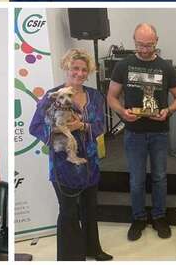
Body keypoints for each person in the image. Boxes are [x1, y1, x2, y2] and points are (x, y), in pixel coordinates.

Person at [29, 49, 113, 261]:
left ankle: (93, 249)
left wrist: (82, 125)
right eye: (75, 68)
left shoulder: (95, 96)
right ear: (67, 68)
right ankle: (71, 257)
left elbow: (101, 125)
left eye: (84, 69)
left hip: (90, 163)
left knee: (90, 208)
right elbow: (35, 126)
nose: (80, 73)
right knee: (68, 211)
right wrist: (61, 128)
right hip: (63, 165)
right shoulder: (53, 95)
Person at [106, 23, 176, 241]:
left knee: (160, 177)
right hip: (134, 132)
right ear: (133, 41)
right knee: (136, 179)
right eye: (140, 45)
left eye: (149, 45)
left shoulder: (166, 67)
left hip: (159, 131)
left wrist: (168, 110)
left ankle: (159, 216)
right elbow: (111, 97)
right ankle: (138, 217)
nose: (145, 49)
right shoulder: (123, 65)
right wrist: (122, 113)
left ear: (156, 41)